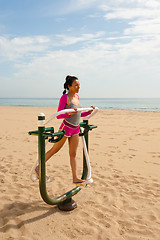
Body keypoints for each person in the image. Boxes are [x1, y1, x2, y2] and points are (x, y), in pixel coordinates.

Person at [35, 75, 94, 183]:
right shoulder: (64, 98)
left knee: (73, 154)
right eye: (76, 85)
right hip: (66, 127)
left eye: (79, 85)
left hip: (76, 128)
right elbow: (59, 115)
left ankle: (75, 178)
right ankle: (38, 168)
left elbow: (79, 113)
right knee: (54, 150)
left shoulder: (77, 97)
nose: (78, 87)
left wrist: (89, 112)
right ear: (69, 86)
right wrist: (69, 112)